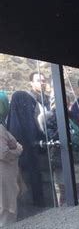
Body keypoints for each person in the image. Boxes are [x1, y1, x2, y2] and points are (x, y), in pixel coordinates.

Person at [37, 95, 79, 205]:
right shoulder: (50, 119)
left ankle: (74, 206)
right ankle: (65, 209)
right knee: (65, 190)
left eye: (66, 103)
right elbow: (51, 137)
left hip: (78, 157)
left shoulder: (72, 117)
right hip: (62, 158)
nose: (65, 106)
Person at [6, 71, 52, 208]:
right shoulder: (25, 101)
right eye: (38, 80)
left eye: (43, 80)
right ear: (31, 83)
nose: (42, 83)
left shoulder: (47, 101)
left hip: (42, 152)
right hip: (27, 155)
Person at [0, 92, 25, 226]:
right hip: (3, 177)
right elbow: (3, 153)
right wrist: (18, 150)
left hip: (6, 175)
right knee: (6, 211)